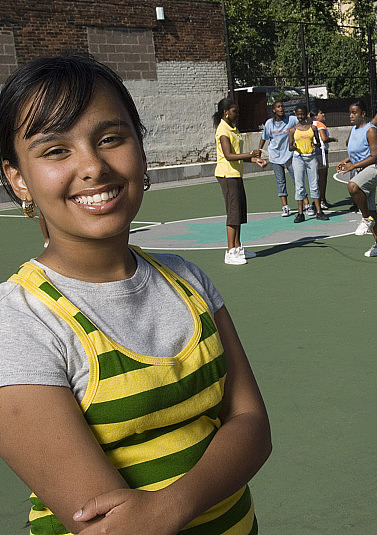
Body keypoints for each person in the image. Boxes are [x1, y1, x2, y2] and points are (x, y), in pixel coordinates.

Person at [0, 54, 271, 534]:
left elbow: (252, 425)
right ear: (18, 178)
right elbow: (113, 525)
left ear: (141, 150)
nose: (92, 167)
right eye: (55, 150)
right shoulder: (20, 320)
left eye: (110, 139)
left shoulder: (187, 278)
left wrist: (170, 506)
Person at [213, 98, 267, 265]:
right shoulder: (223, 130)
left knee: (240, 212)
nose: (237, 114)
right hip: (227, 175)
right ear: (226, 112)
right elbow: (228, 156)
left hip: (236, 174)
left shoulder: (233, 128)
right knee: (233, 214)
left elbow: (237, 155)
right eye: (234, 111)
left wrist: (253, 160)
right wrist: (251, 154)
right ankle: (230, 252)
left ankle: (238, 247)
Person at [337, 100, 377, 257]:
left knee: (353, 186)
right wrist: (346, 161)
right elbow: (357, 152)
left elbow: (375, 156)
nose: (351, 116)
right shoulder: (354, 130)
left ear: (363, 114)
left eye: (354, 113)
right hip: (362, 169)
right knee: (371, 207)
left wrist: (352, 166)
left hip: (376, 169)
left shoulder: (371, 130)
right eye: (350, 113)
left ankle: (365, 219)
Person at [257, 100, 300, 217]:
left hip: (290, 155)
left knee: (297, 179)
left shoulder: (291, 120)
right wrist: (259, 152)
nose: (281, 108)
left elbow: (302, 124)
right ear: (274, 110)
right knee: (280, 182)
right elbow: (263, 138)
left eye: (282, 106)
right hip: (275, 157)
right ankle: (285, 207)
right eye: (278, 107)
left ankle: (305, 204)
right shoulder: (269, 123)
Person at [288, 105, 328, 222]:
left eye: (302, 114)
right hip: (298, 158)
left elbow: (318, 143)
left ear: (307, 115)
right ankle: (300, 213)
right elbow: (290, 147)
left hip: (311, 157)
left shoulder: (313, 128)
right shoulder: (293, 130)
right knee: (299, 185)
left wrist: (315, 145)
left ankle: (319, 211)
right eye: (298, 114)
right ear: (295, 114)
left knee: (314, 184)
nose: (300, 116)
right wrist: (294, 147)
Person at [311, 107, 337, 209]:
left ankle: (318, 199)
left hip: (314, 152)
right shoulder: (320, 124)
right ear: (316, 116)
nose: (323, 114)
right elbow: (324, 138)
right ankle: (321, 200)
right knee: (322, 177)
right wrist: (333, 139)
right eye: (321, 113)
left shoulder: (311, 125)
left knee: (316, 177)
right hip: (321, 152)